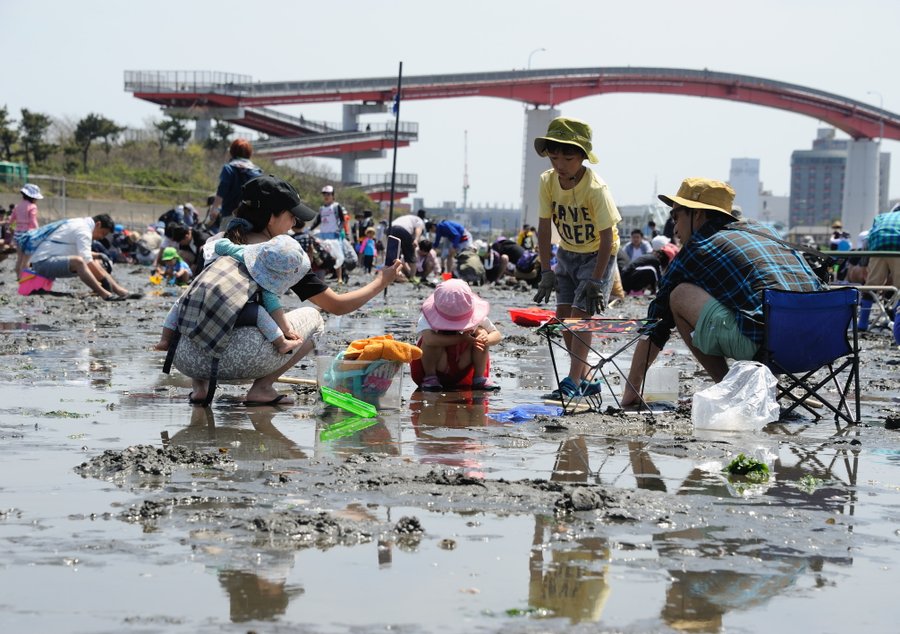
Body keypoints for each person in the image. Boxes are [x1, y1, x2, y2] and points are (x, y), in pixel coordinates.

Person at [163, 175, 401, 406]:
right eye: (291, 217)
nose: (294, 224)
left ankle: (200, 390)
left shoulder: (215, 242)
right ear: (271, 218)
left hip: (187, 358)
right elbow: (337, 306)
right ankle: (262, 388)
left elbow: (197, 295)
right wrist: (381, 281)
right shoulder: (279, 254)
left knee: (205, 301)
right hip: (238, 360)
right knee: (314, 317)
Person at [621, 177, 824, 407]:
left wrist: (631, 389)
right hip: (821, 341)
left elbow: (657, 321)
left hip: (771, 346)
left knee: (678, 296)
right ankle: (762, 388)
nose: (675, 227)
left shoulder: (698, 246)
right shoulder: (763, 230)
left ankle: (729, 389)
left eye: (676, 216)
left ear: (697, 214)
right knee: (763, 307)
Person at [532, 116, 621, 399]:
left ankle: (571, 381)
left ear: (583, 157)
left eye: (568, 158)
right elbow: (544, 227)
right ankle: (584, 377)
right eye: (554, 156)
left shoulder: (596, 189)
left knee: (580, 318)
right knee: (563, 318)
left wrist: (596, 280)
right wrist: (546, 270)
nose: (560, 164)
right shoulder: (548, 181)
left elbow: (607, 236)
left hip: (598, 255)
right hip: (567, 253)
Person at [156, 235, 309, 355]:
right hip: (229, 307)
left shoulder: (241, 252)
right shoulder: (267, 283)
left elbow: (220, 245)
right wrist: (287, 329)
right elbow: (273, 307)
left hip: (204, 295)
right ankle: (282, 343)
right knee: (260, 313)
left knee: (180, 302)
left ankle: (165, 339)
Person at [410, 279, 502, 392]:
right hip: (439, 364)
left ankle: (479, 378)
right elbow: (429, 340)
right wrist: (462, 338)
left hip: (462, 365)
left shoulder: (476, 317)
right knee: (430, 341)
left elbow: (497, 335)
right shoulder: (428, 317)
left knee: (481, 332)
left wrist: (486, 339)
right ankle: (430, 377)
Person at [27, 214, 135, 300]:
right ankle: (103, 293)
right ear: (98, 224)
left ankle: (120, 291)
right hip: (41, 263)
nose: (101, 237)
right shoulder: (84, 231)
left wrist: (99, 255)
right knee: (79, 262)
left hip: (50, 259)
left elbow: (81, 252)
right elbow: (86, 259)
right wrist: (103, 281)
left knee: (96, 262)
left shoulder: (81, 224)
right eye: (102, 233)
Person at [208, 139, 264, 231]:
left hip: (230, 216)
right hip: (251, 219)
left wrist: (214, 209)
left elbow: (222, 190)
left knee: (225, 243)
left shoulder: (229, 168)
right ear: (249, 153)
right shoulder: (257, 171)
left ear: (232, 152)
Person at [310, 185, 350, 284]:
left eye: (328, 194)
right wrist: (310, 229)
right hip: (323, 235)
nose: (326, 196)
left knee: (337, 255)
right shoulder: (322, 208)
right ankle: (321, 278)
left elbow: (342, 220)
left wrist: (339, 229)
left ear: (332, 195)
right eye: (324, 194)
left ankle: (340, 277)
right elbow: (318, 221)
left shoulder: (336, 206)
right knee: (323, 256)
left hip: (334, 235)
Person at [12, 183, 43, 279]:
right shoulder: (32, 206)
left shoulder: (17, 206)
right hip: (27, 234)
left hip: (17, 234)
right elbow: (32, 221)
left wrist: (9, 226)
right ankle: (24, 279)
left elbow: (12, 219)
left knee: (19, 258)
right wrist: (39, 231)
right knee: (26, 260)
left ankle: (18, 277)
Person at [385, 210, 426, 278]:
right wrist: (416, 240)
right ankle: (412, 277)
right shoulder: (420, 220)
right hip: (403, 230)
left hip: (389, 229)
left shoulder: (408, 217)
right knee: (411, 256)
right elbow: (418, 229)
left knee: (393, 255)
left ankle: (391, 276)